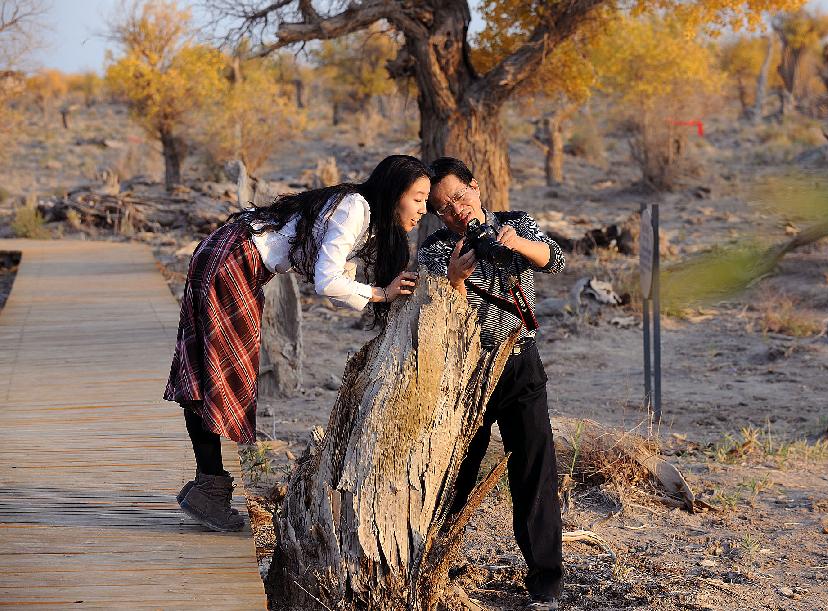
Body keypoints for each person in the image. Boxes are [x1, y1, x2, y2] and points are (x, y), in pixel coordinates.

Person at [164, 154, 430, 532]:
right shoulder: (356, 208)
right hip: (233, 261)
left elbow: (336, 273)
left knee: (209, 370)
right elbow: (327, 281)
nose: (422, 209)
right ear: (394, 191)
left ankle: (207, 482)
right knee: (217, 373)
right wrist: (380, 294)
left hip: (229, 254)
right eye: (418, 198)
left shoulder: (363, 214)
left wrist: (375, 292)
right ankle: (209, 486)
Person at [417, 158, 565, 610]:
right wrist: (456, 278)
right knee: (454, 472)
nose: (457, 211)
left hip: (520, 363)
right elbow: (442, 312)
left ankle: (546, 578)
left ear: (476, 188)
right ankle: (431, 563)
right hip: (468, 372)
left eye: (460, 198)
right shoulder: (437, 249)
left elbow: (554, 260)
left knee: (535, 468)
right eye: (444, 208)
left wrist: (516, 243)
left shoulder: (517, 223)